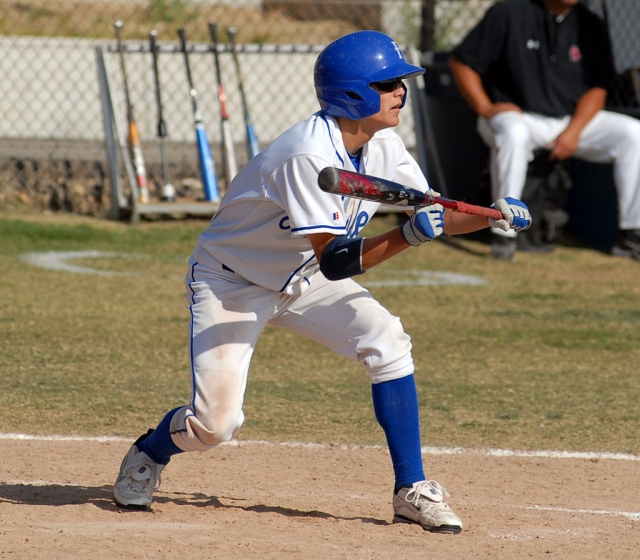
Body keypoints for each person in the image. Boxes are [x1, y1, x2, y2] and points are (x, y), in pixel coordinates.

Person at [112, 30, 531, 534]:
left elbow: (435, 210)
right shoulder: (308, 155)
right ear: (353, 94)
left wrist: (492, 216)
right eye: (389, 83)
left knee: (387, 340)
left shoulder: (384, 145)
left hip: (304, 276)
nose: (402, 91)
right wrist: (405, 237)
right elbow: (338, 260)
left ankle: (411, 488)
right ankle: (150, 451)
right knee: (214, 425)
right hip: (232, 283)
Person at [449, 0, 640, 261]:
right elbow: (462, 62)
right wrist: (485, 107)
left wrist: (572, 132)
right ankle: (504, 233)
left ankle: (631, 236)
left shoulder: (589, 23)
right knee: (514, 133)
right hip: (519, 117)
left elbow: (599, 88)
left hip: (570, 122)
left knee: (633, 133)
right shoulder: (509, 12)